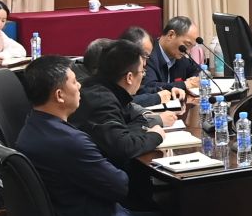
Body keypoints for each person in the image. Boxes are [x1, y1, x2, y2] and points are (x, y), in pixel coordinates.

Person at [16, 56, 178, 216]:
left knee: (169, 214)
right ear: (59, 95)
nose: (80, 86)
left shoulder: (33, 125)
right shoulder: (69, 142)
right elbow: (120, 187)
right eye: (74, 82)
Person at [69, 39, 175, 194]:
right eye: (142, 72)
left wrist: (130, 130)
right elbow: (124, 147)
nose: (143, 77)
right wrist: (155, 135)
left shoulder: (104, 89)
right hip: (100, 188)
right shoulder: (101, 99)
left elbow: (137, 119)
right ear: (129, 77)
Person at [146, 16, 202, 96]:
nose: (188, 51)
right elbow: (148, 87)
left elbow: (197, 71)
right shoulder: (148, 55)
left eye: (192, 47)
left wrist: (194, 79)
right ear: (171, 35)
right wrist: (184, 85)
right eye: (187, 44)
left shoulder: (180, 57)